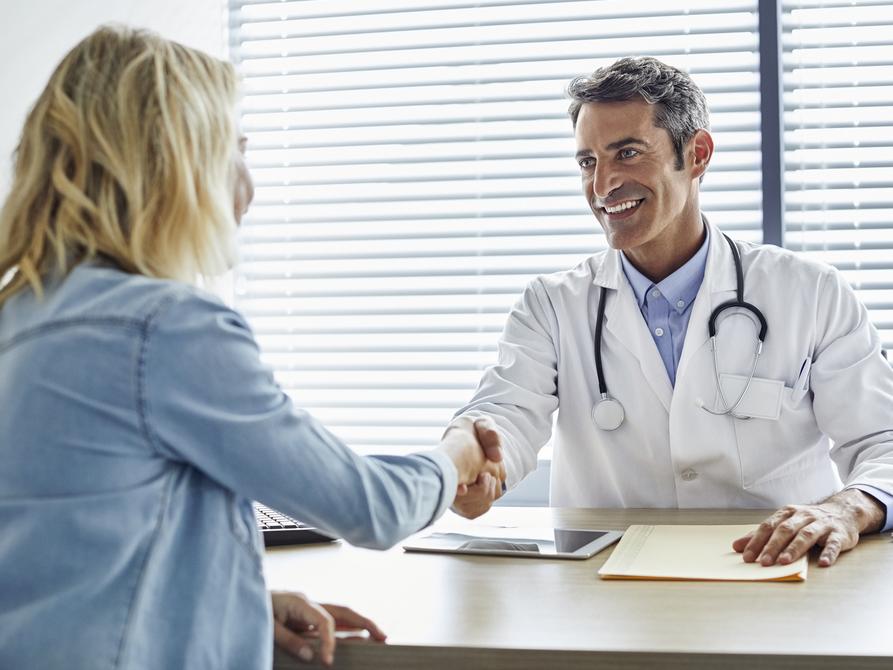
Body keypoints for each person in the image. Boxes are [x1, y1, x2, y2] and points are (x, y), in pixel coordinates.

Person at [0, 26, 504, 670]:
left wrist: (245, 601)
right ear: (177, 164)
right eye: (235, 150)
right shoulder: (164, 328)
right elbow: (368, 506)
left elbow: (68, 549)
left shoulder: (20, 317)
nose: (248, 184)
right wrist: (456, 453)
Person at [448, 56, 893, 569]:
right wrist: (473, 464)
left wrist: (849, 506)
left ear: (697, 154)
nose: (602, 185)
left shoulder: (811, 291)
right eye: (587, 162)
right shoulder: (551, 304)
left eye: (628, 153)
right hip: (608, 586)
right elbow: (505, 414)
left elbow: (881, 440)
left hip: (772, 574)